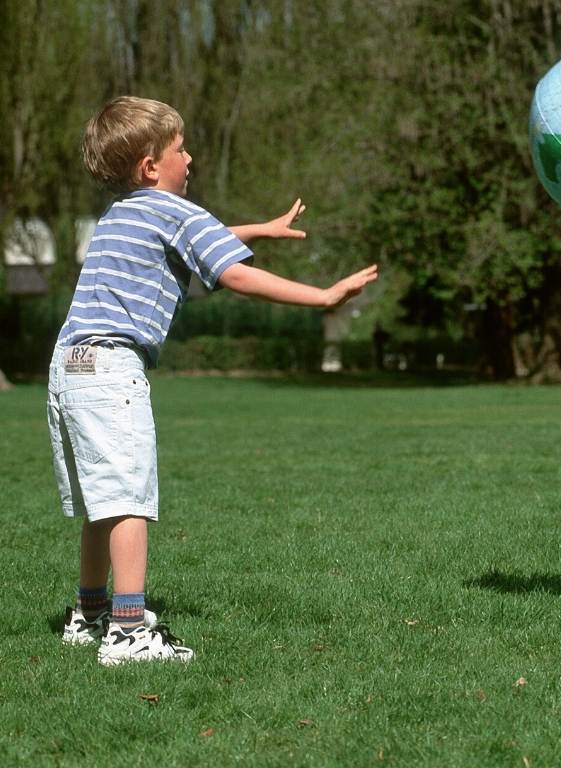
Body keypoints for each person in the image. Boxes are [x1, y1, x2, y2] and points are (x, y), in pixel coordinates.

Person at [49, 95, 378, 665]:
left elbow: (198, 237)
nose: (191, 157)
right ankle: (129, 633)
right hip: (112, 366)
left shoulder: (123, 213)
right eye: (180, 149)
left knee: (101, 500)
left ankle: (91, 613)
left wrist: (261, 230)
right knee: (128, 497)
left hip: (69, 365)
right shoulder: (175, 212)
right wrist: (322, 297)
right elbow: (230, 270)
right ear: (152, 166)